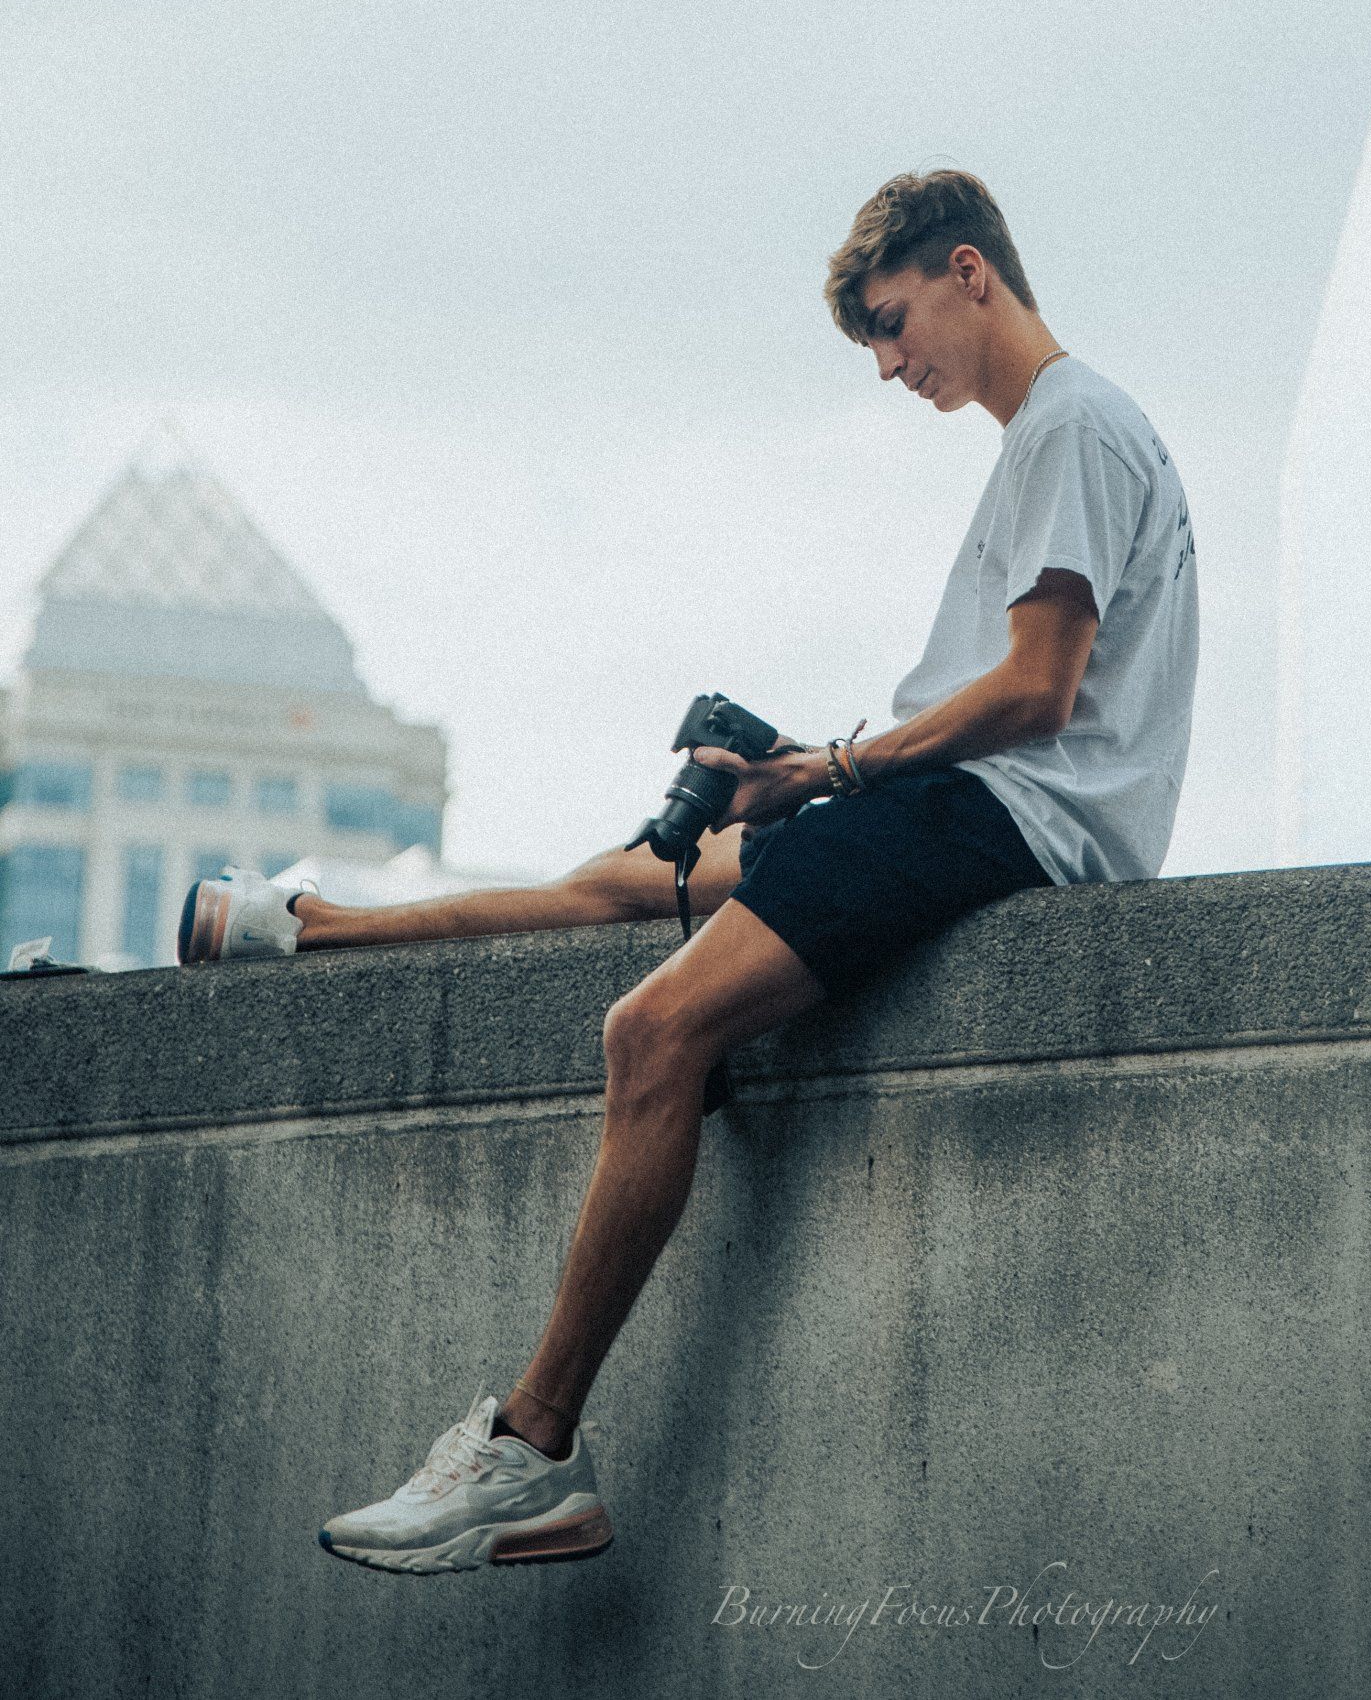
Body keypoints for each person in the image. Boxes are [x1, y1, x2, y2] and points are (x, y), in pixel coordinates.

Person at [180, 168, 1199, 1576]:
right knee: (640, 873)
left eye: (896, 326)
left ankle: (532, 1452)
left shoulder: (1072, 424)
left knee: (651, 1029)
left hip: (1001, 822)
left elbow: (1038, 694)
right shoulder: (1051, 436)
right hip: (956, 807)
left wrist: (835, 770)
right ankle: (318, 927)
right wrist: (799, 769)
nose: (893, 365)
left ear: (972, 272)